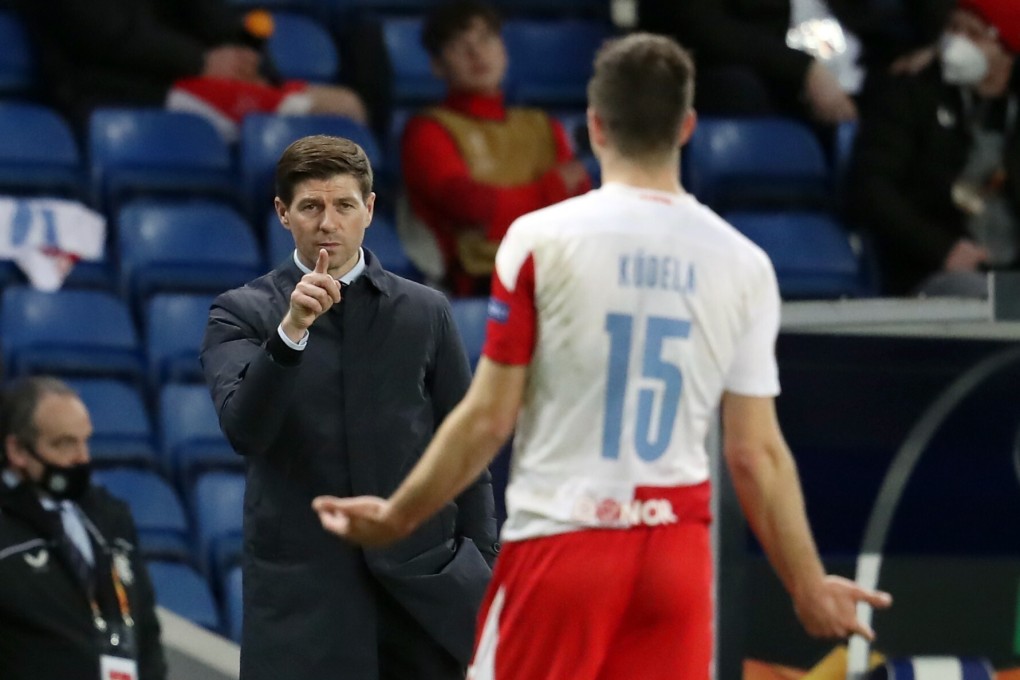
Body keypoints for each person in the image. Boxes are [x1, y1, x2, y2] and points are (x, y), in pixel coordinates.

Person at [313, 33, 893, 679]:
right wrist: (808, 584)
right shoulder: (743, 262)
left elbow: (489, 418)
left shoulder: (542, 239)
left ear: (594, 127)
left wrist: (400, 515)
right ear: (688, 127)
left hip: (568, 539)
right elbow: (755, 453)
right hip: (675, 556)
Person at [200, 134, 499, 680]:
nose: (328, 223)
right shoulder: (241, 313)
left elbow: (466, 452)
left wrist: (483, 572)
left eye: (343, 205)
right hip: (305, 616)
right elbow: (246, 429)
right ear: (283, 214)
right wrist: (290, 333)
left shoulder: (424, 311)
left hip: (426, 600)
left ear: (370, 210)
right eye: (310, 207)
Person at [399, 0, 591, 297]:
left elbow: (579, 202)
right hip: (483, 285)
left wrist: (505, 205)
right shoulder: (427, 131)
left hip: (556, 272)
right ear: (438, 65)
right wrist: (550, 189)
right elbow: (470, 207)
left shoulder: (542, 125)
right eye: (458, 45)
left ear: (504, 49)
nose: (476, 53)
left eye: (486, 39)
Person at [849, 0, 1020, 297]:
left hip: (1010, 274)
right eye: (953, 28)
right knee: (997, 304)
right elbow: (870, 188)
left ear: (1006, 52)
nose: (958, 43)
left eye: (975, 34)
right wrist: (942, 249)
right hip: (937, 272)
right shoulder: (911, 95)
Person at [0, 376, 166, 680]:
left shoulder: (110, 517)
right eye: (64, 444)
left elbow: (147, 632)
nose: (82, 458)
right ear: (18, 451)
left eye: (84, 440)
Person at [12, 0, 368, 139]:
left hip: (193, 80)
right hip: (120, 94)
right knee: (335, 110)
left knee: (345, 104)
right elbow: (107, 36)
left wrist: (250, 61)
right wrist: (201, 62)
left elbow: (210, 15)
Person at [637, 0, 953, 124]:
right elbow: (706, 30)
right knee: (740, 88)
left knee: (920, 86)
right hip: (757, 72)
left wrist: (933, 43)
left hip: (846, 62)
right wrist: (805, 72)